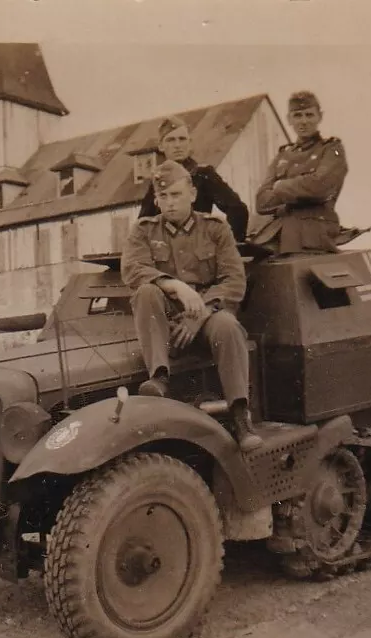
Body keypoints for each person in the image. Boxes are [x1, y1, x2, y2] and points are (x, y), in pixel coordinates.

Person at [122, 160, 263, 452]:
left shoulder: (215, 229)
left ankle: (240, 415)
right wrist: (174, 285)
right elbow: (133, 269)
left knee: (228, 326)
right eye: (163, 197)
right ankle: (159, 377)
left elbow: (234, 281)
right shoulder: (144, 230)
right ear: (156, 201)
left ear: (193, 194)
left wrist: (199, 314)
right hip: (167, 313)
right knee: (146, 292)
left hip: (209, 312)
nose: (170, 203)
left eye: (176, 194)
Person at [251, 91, 349, 254]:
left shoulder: (332, 149)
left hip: (315, 234)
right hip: (279, 233)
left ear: (320, 117)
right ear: (289, 119)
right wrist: (302, 188)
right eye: (297, 116)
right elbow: (261, 201)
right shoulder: (283, 156)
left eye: (309, 115)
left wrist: (280, 186)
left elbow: (320, 186)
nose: (303, 121)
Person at [139, 115, 251, 243]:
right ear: (161, 146)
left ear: (189, 143)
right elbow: (143, 223)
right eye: (171, 140)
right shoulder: (157, 180)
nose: (177, 145)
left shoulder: (203, 175)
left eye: (182, 139)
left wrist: (228, 246)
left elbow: (237, 209)